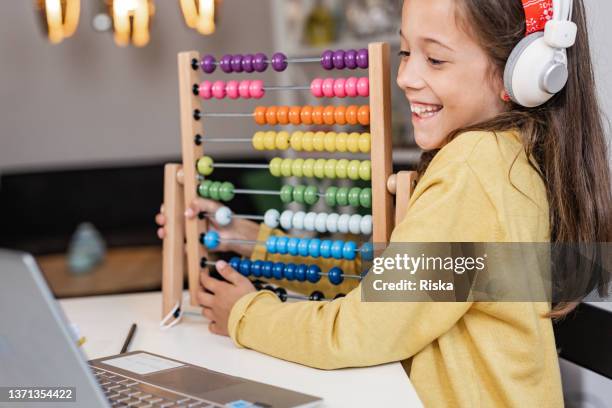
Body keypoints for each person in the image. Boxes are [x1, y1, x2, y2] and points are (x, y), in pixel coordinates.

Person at [156, 0, 611, 405]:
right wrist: (258, 242)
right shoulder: (509, 156)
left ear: (521, 72)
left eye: (435, 58)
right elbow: (393, 288)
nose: (405, 77)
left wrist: (246, 314)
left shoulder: (474, 169)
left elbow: (360, 331)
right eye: (407, 51)